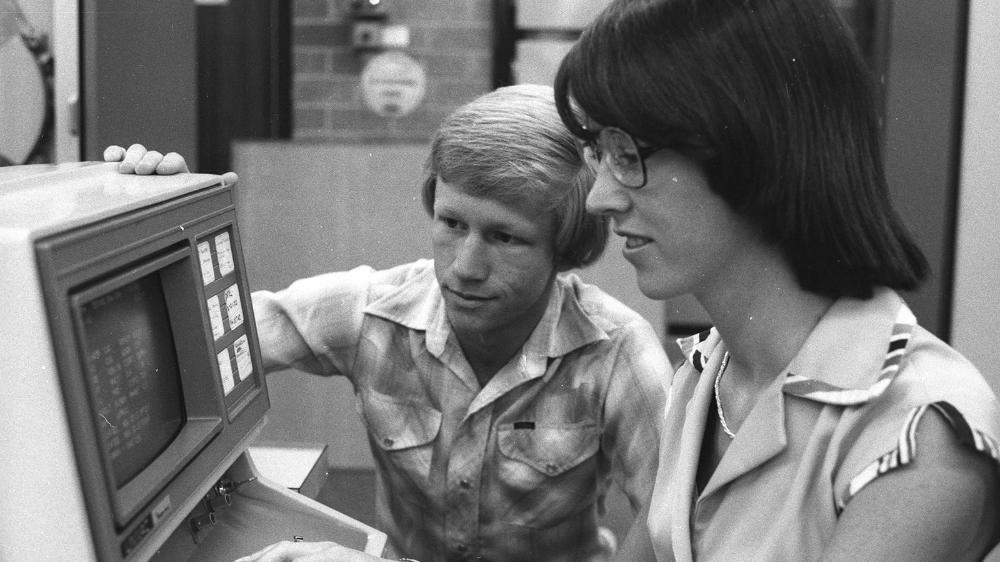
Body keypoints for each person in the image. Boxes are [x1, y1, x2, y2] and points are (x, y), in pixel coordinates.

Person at [106, 84, 669, 561]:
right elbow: (206, 337)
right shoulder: (371, 311)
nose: (466, 267)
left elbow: (676, 524)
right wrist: (148, 216)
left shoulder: (616, 350)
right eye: (451, 223)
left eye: (505, 237)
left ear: (563, 248)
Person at [551, 0, 1000, 560]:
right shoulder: (709, 375)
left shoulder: (917, 425)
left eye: (626, 154)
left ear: (751, 143)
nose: (599, 198)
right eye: (598, 155)